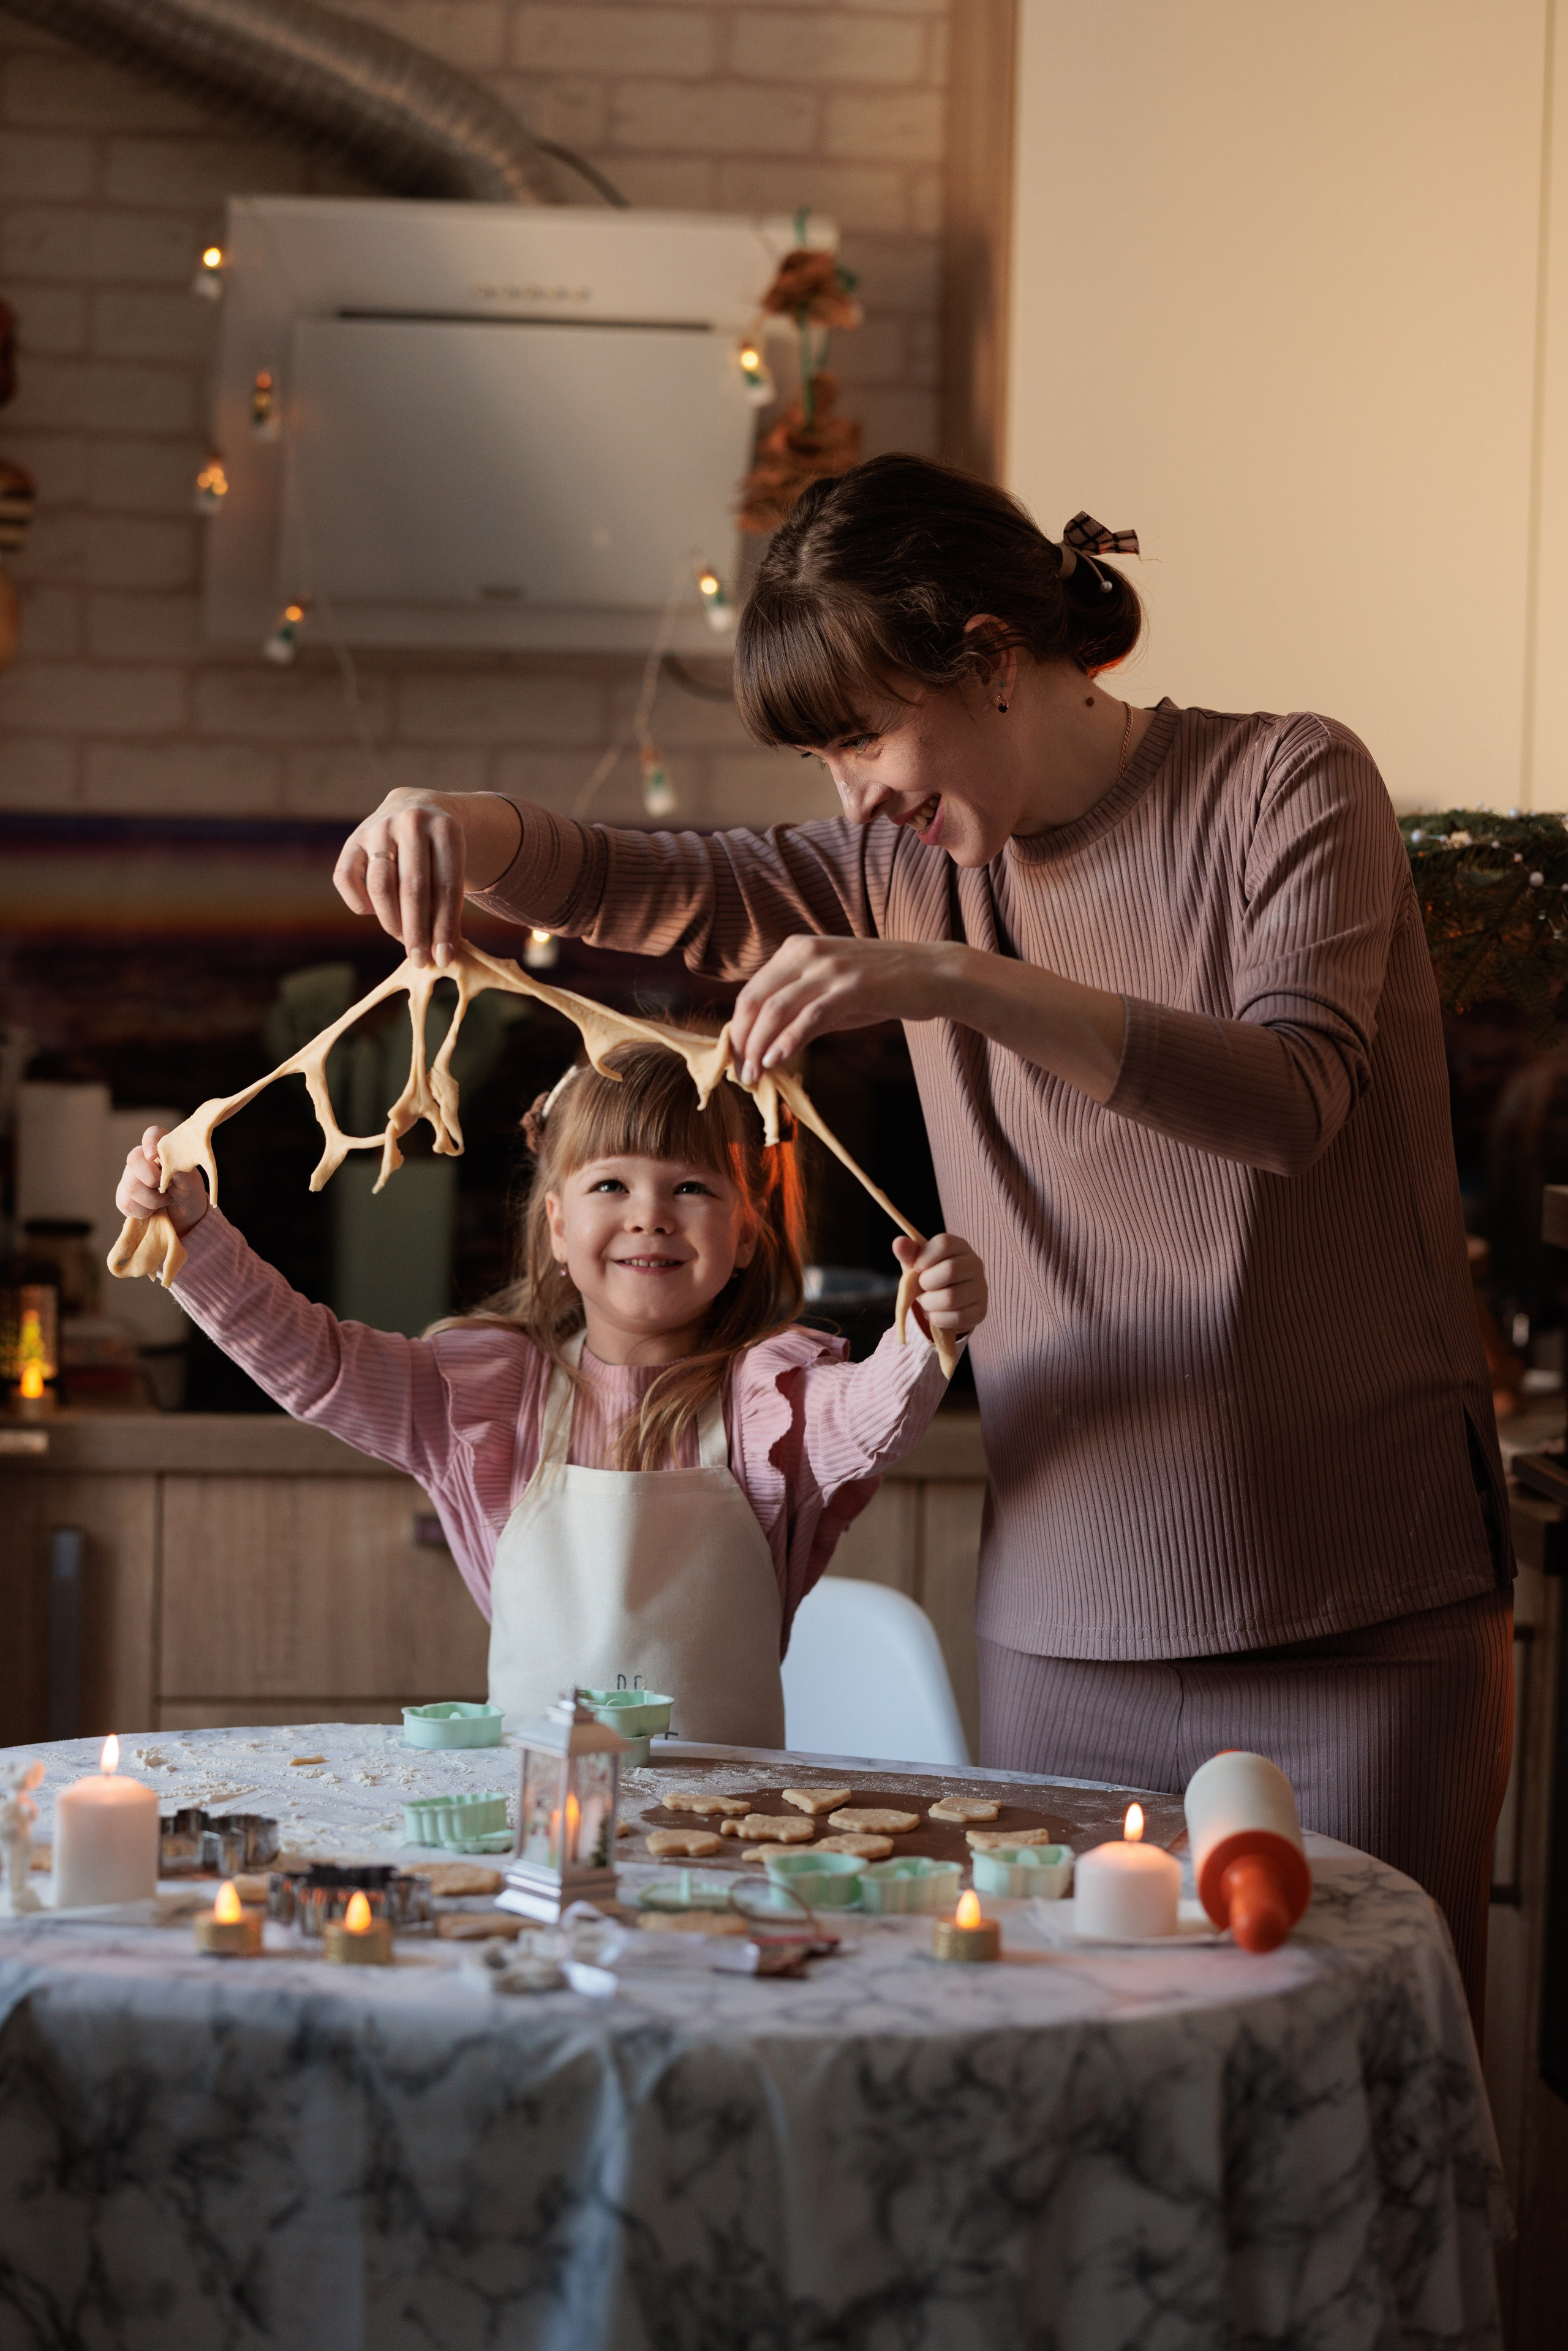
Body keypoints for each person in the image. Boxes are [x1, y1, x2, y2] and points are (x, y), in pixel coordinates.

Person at [331, 455, 1512, 2023]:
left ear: (992, 654)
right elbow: (646, 877)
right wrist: (458, 824)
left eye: (865, 734)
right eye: (823, 759)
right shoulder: (898, 863)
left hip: (1366, 1608)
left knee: (1367, 2112)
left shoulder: (1287, 783)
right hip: (1068, 1631)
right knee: (1082, 2122)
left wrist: (951, 981)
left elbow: (1291, 1096)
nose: (857, 794)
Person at [115, 1039, 987, 1739]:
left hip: (721, 1847)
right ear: (560, 1227)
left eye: (690, 1186)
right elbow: (321, 1363)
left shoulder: (774, 1405)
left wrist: (928, 1328)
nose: (650, 1212)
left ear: (747, 1232)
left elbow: (877, 1413)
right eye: (612, 1183)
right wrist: (195, 1235)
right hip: (540, 1828)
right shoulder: (485, 1399)